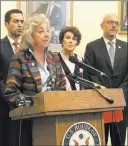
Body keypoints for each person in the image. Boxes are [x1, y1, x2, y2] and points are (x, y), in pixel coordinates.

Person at [4, 14, 66, 146]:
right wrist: (34, 103)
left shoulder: (54, 59)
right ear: (30, 35)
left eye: (48, 31)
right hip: (28, 123)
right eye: (41, 31)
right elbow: (11, 92)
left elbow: (62, 89)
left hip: (52, 121)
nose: (46, 34)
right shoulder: (20, 58)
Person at [84, 13, 127, 146]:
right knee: (99, 140)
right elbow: (89, 74)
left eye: (116, 23)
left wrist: (119, 94)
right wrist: (105, 93)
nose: (113, 25)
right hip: (100, 103)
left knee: (118, 141)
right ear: (102, 25)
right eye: (110, 22)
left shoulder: (126, 47)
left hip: (122, 103)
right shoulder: (92, 47)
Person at [0, 9, 24, 146]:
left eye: (22, 21)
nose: (20, 25)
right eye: (16, 21)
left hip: (27, 107)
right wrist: (11, 97)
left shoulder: (28, 48)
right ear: (6, 24)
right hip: (5, 106)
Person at [58, 26, 84, 90]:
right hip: (61, 97)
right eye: (67, 38)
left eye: (74, 39)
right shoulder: (55, 59)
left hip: (80, 98)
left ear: (77, 42)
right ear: (62, 40)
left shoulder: (80, 60)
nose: (70, 41)